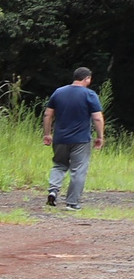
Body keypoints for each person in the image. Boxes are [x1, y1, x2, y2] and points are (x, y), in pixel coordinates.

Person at [44, 67, 105, 211]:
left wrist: (47, 134)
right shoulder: (89, 94)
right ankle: (72, 203)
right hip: (81, 140)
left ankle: (53, 190)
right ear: (87, 79)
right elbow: (97, 117)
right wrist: (100, 137)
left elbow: (47, 114)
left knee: (59, 165)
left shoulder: (59, 92)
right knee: (78, 169)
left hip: (60, 138)